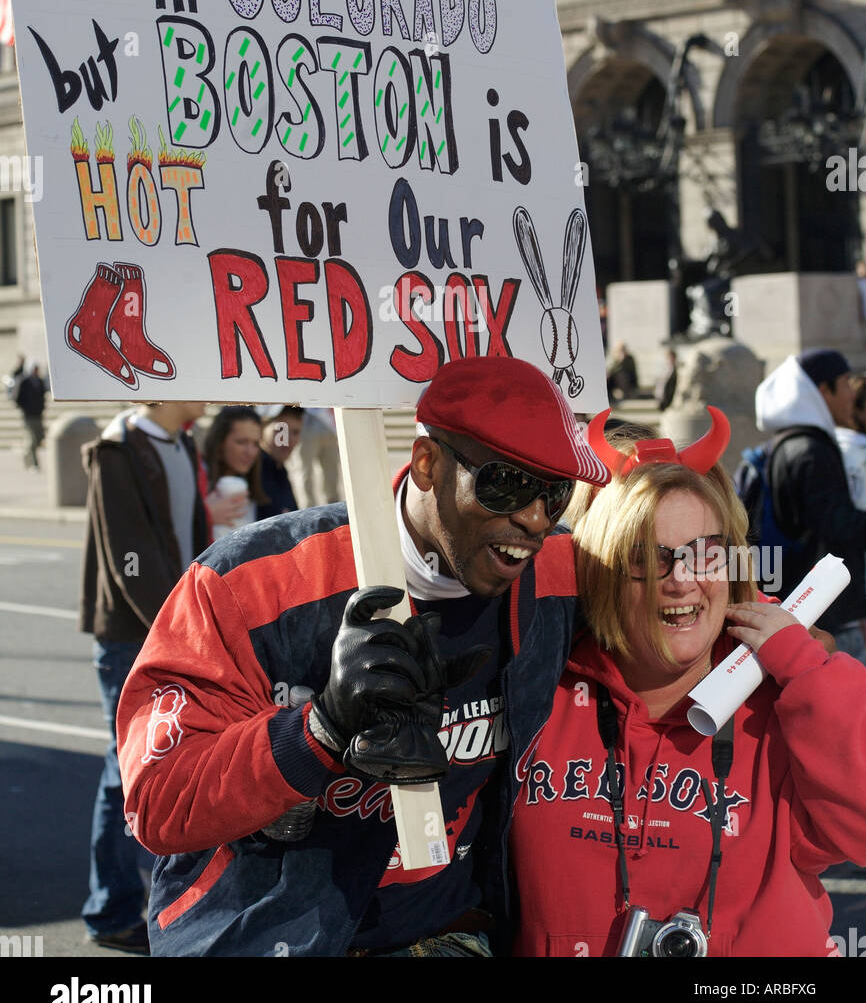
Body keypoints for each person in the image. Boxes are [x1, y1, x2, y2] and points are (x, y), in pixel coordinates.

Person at [116, 357, 610, 957]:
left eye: (555, 493)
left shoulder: (561, 575)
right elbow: (159, 803)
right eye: (504, 483)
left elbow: (679, 621)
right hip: (256, 933)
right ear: (427, 464)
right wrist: (316, 731)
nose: (533, 519)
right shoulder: (249, 582)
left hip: (445, 933)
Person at [510, 411, 866, 957]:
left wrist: (807, 670)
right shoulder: (539, 691)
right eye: (646, 558)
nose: (681, 579)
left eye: (706, 552)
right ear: (601, 571)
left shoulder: (780, 705)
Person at [80, 399, 209, 953]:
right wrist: (175, 629)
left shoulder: (182, 440)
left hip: (175, 623)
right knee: (125, 773)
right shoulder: (118, 449)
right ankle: (109, 909)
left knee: (169, 765)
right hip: (138, 634)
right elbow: (128, 557)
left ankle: (164, 906)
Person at [754, 348, 866, 662]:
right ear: (823, 390)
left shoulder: (791, 441)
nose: (850, 395)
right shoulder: (811, 450)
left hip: (806, 602)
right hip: (827, 611)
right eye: (845, 384)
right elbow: (835, 524)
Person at [202, 405, 268, 535]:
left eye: (256, 444)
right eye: (241, 442)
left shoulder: (253, 486)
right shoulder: (198, 479)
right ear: (220, 441)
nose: (250, 452)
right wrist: (206, 516)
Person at [256, 404, 303, 519]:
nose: (287, 439)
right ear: (262, 427)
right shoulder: (252, 471)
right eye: (280, 430)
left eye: (295, 432)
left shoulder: (280, 469)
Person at [296, 406, 341, 506]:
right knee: (304, 470)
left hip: (329, 423)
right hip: (306, 419)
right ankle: (307, 509)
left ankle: (333, 508)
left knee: (332, 471)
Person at [15, 361, 47, 469]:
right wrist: (24, 408)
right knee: (32, 439)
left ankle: (26, 455)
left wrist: (42, 408)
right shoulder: (24, 381)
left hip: (38, 414)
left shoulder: (40, 381)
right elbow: (17, 397)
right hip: (28, 415)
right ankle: (34, 463)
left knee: (39, 438)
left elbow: (42, 397)